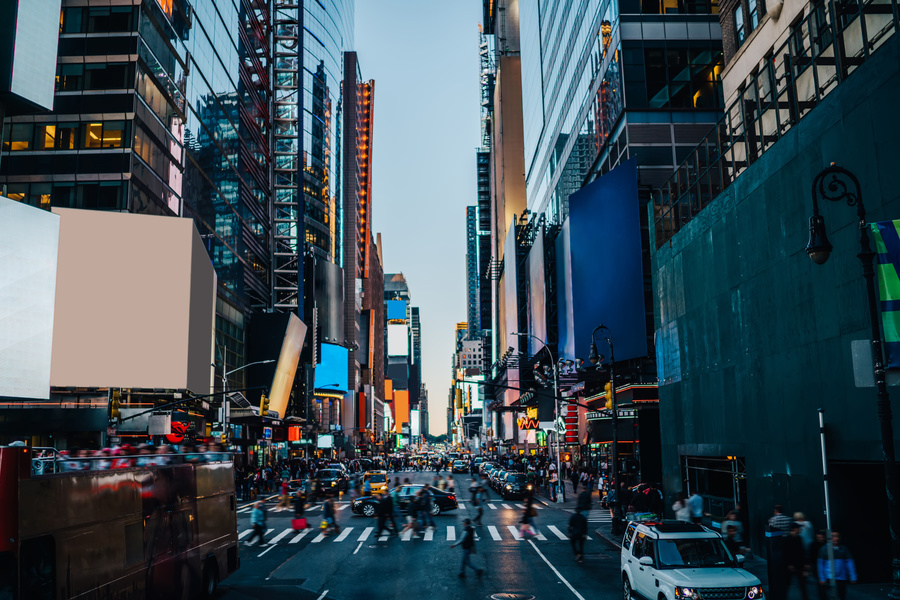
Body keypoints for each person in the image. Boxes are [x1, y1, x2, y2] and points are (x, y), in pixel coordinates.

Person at [818, 531, 856, 600]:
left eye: (837, 536)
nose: (835, 538)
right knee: (830, 596)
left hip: (841, 578)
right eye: (833, 536)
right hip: (829, 577)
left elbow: (849, 562)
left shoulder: (844, 549)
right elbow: (820, 564)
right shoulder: (824, 549)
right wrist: (822, 578)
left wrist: (853, 576)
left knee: (841, 596)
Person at [784, 522, 809, 600]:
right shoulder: (788, 539)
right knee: (789, 583)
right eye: (798, 528)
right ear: (794, 529)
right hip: (793, 565)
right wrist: (789, 564)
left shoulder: (798, 538)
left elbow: (802, 552)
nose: (800, 529)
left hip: (798, 565)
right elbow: (787, 553)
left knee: (802, 584)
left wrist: (805, 563)